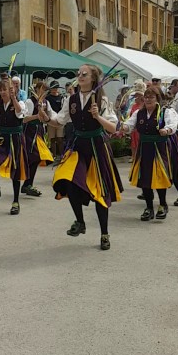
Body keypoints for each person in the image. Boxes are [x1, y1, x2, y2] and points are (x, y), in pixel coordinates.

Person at [49, 64, 122, 251]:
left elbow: (113, 128)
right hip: (78, 146)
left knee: (100, 192)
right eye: (78, 73)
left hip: (97, 147)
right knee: (69, 181)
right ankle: (80, 221)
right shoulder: (71, 99)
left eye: (84, 74)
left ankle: (104, 234)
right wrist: (45, 116)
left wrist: (98, 117)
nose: (80, 76)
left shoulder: (102, 99)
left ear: (93, 78)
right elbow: (59, 121)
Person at [119, 87, 178, 221]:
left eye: (151, 97)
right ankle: (149, 207)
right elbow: (129, 125)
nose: (148, 99)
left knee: (159, 176)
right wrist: (122, 127)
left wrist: (166, 130)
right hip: (144, 148)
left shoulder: (165, 112)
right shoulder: (139, 113)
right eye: (146, 97)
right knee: (145, 178)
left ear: (157, 99)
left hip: (160, 148)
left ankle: (162, 204)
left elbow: (173, 124)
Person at [0, 77, 28, 214]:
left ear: (11, 90)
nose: (2, 92)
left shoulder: (19, 102)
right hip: (1, 137)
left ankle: (15, 201)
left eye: (5, 89)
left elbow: (20, 114)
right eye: (0, 89)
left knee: (15, 169)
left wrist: (14, 98)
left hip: (15, 139)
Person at [20, 77, 54, 197]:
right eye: (43, 90)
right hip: (29, 132)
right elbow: (24, 119)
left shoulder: (45, 102)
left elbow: (49, 117)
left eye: (46, 91)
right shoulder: (29, 101)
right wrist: (36, 116)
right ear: (38, 89)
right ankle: (27, 184)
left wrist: (45, 115)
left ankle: (27, 184)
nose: (45, 93)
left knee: (37, 157)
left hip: (39, 132)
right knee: (33, 157)